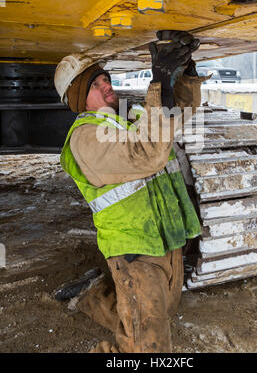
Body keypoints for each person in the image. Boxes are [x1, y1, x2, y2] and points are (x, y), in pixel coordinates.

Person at [54, 30, 207, 353]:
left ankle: (91, 293)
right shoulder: (86, 137)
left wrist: (183, 73)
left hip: (166, 236)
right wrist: (159, 82)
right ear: (78, 98)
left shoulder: (126, 117)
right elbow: (147, 154)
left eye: (105, 79)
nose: (106, 85)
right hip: (135, 248)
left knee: (156, 317)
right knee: (148, 346)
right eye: (95, 85)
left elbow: (177, 115)